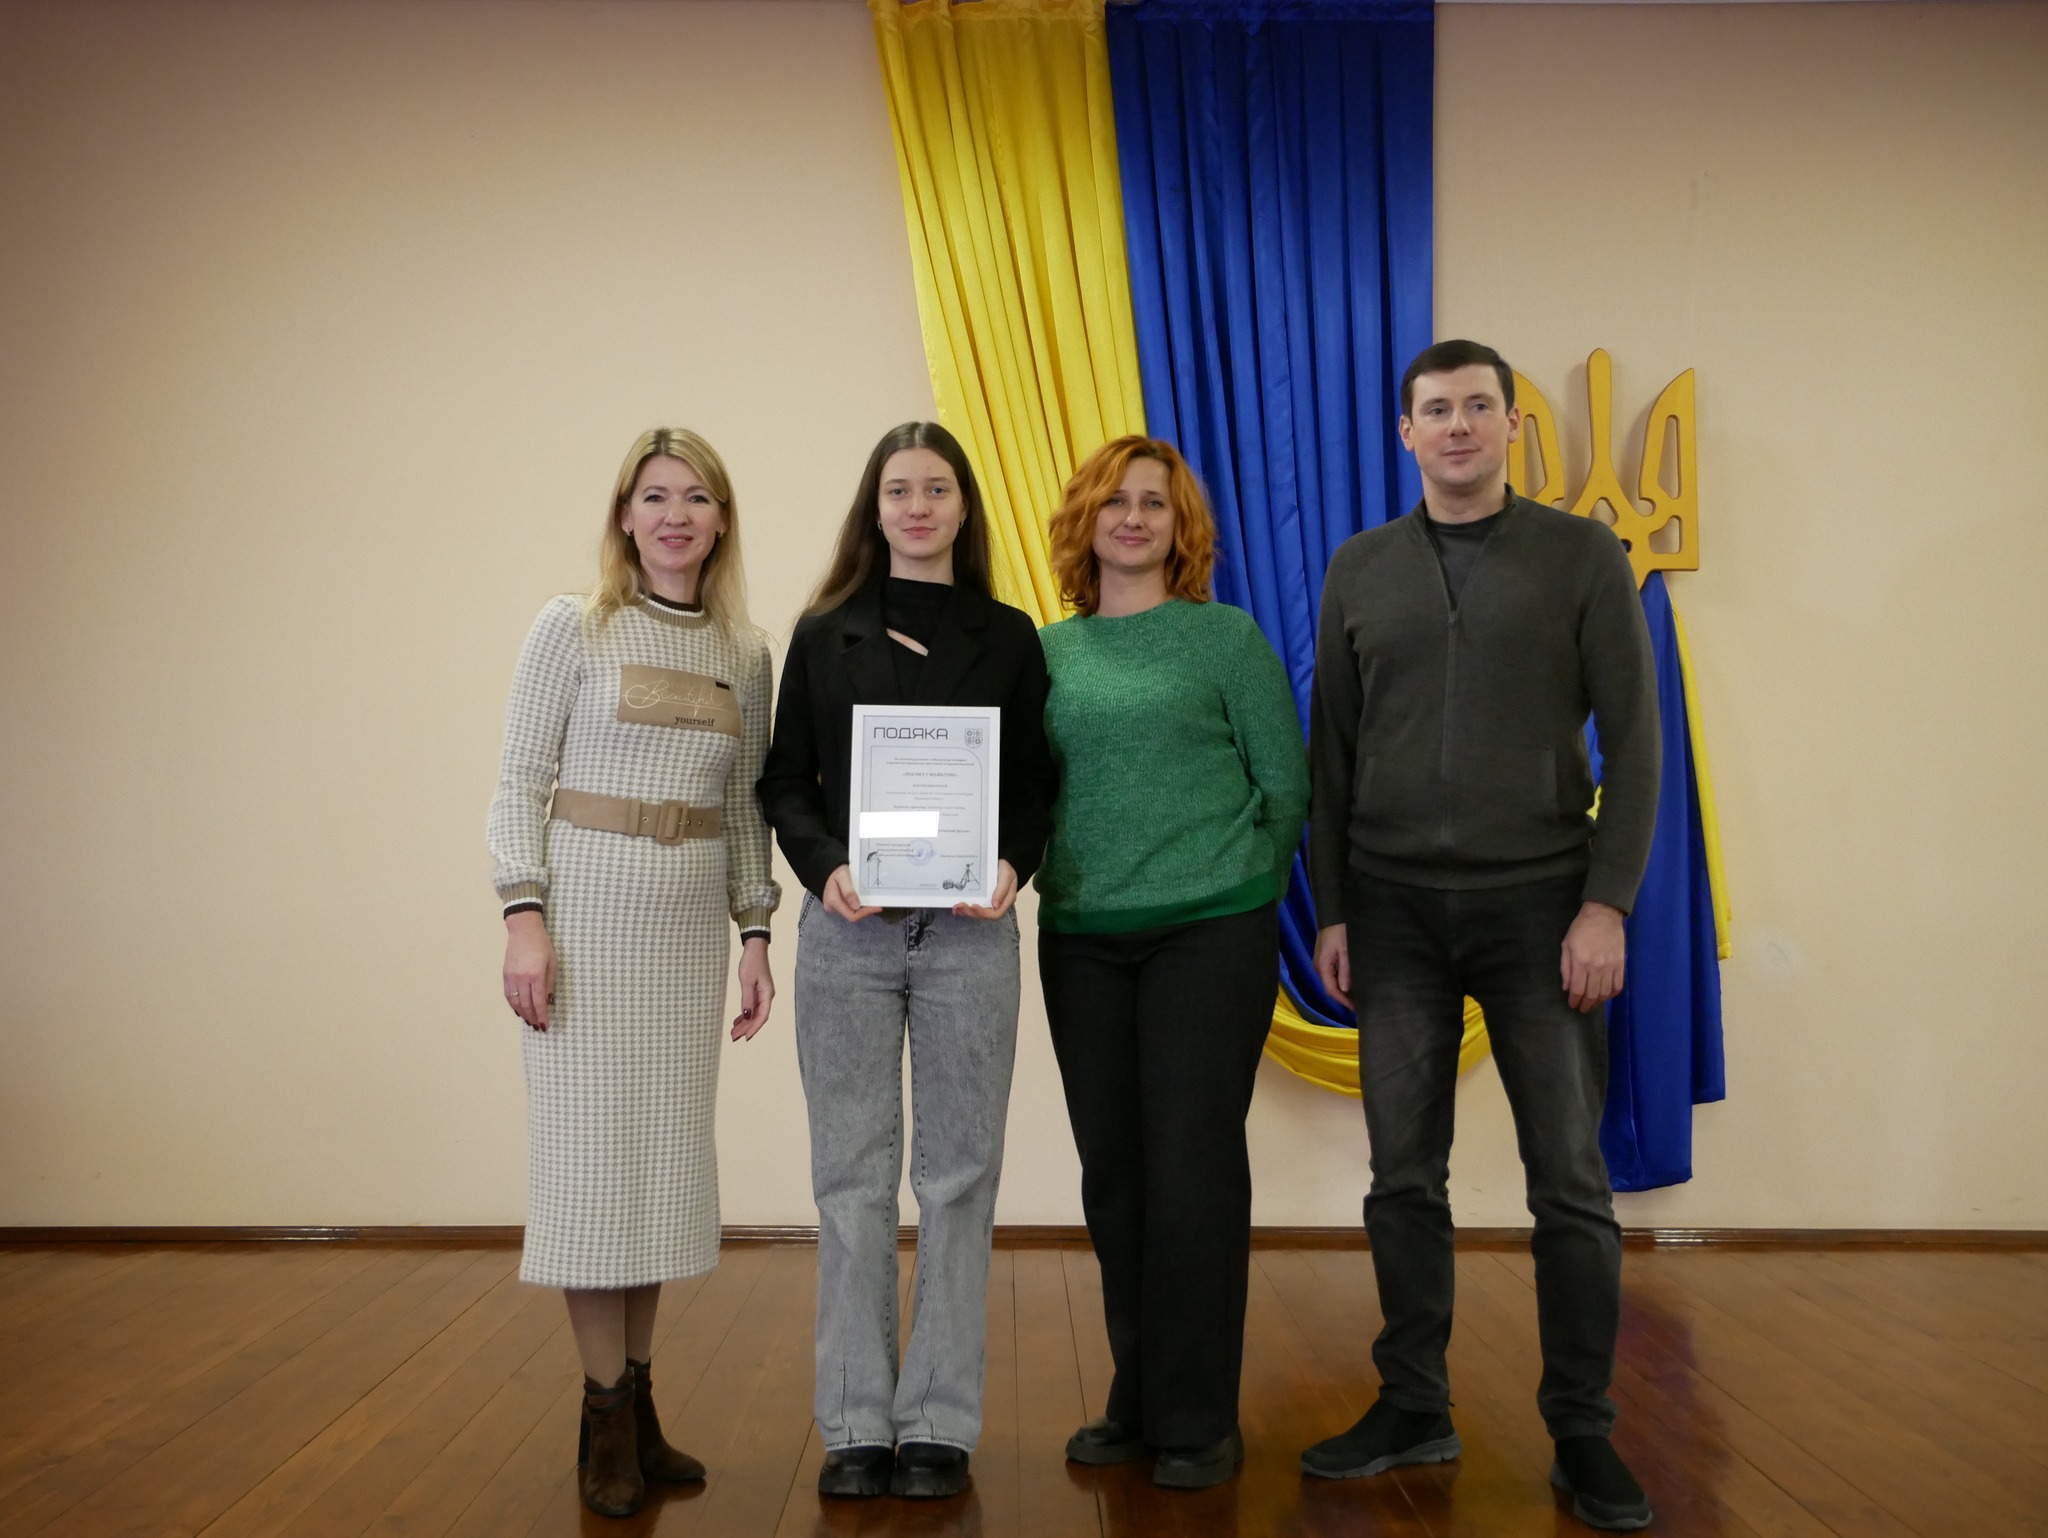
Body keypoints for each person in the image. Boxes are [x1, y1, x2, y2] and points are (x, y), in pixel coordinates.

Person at [1301, 340, 1660, 1531]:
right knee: (1401, 1176)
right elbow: (1330, 753)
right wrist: (1335, 906)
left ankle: (1582, 1428)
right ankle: (1413, 1403)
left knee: (1568, 1180)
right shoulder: (1358, 567)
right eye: (1433, 409)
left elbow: (1636, 743)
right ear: (1403, 432)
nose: (1455, 424)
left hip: (1542, 906)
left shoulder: (1581, 556)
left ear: (1510, 425)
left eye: (1475, 406)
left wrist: (1605, 902)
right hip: (1391, 911)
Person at [758, 421, 1056, 1501]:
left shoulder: (1010, 637)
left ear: (963, 506)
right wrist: (826, 866)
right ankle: (853, 1421)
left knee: (960, 1176)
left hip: (971, 933)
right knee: (850, 1176)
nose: (918, 506)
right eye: (899, 489)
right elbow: (784, 779)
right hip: (849, 932)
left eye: (936, 488)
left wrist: (1013, 862)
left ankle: (937, 1419)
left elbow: (1034, 782)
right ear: (873, 508)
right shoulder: (822, 632)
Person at [487, 427, 779, 1519]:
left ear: (720, 520)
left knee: (658, 1165)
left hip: (684, 933)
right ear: (623, 515)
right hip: (586, 920)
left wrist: (756, 932)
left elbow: (745, 806)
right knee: (591, 1169)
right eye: (653, 496)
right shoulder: (573, 626)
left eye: (695, 497)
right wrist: (524, 917)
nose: (673, 516)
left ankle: (642, 1407)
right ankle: (601, 1415)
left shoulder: (745, 651)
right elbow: (519, 780)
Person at [1033, 436, 1308, 1491]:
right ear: (1085, 521)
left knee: (1191, 1169)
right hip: (1083, 937)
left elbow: (1284, 784)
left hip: (1210, 929)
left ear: (1179, 526)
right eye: (1115, 501)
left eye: (1153, 503)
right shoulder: (1047, 654)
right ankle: (1137, 1399)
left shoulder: (1224, 638)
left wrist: (1237, 881)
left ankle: (1198, 1417)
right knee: (1116, 1176)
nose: (1134, 517)